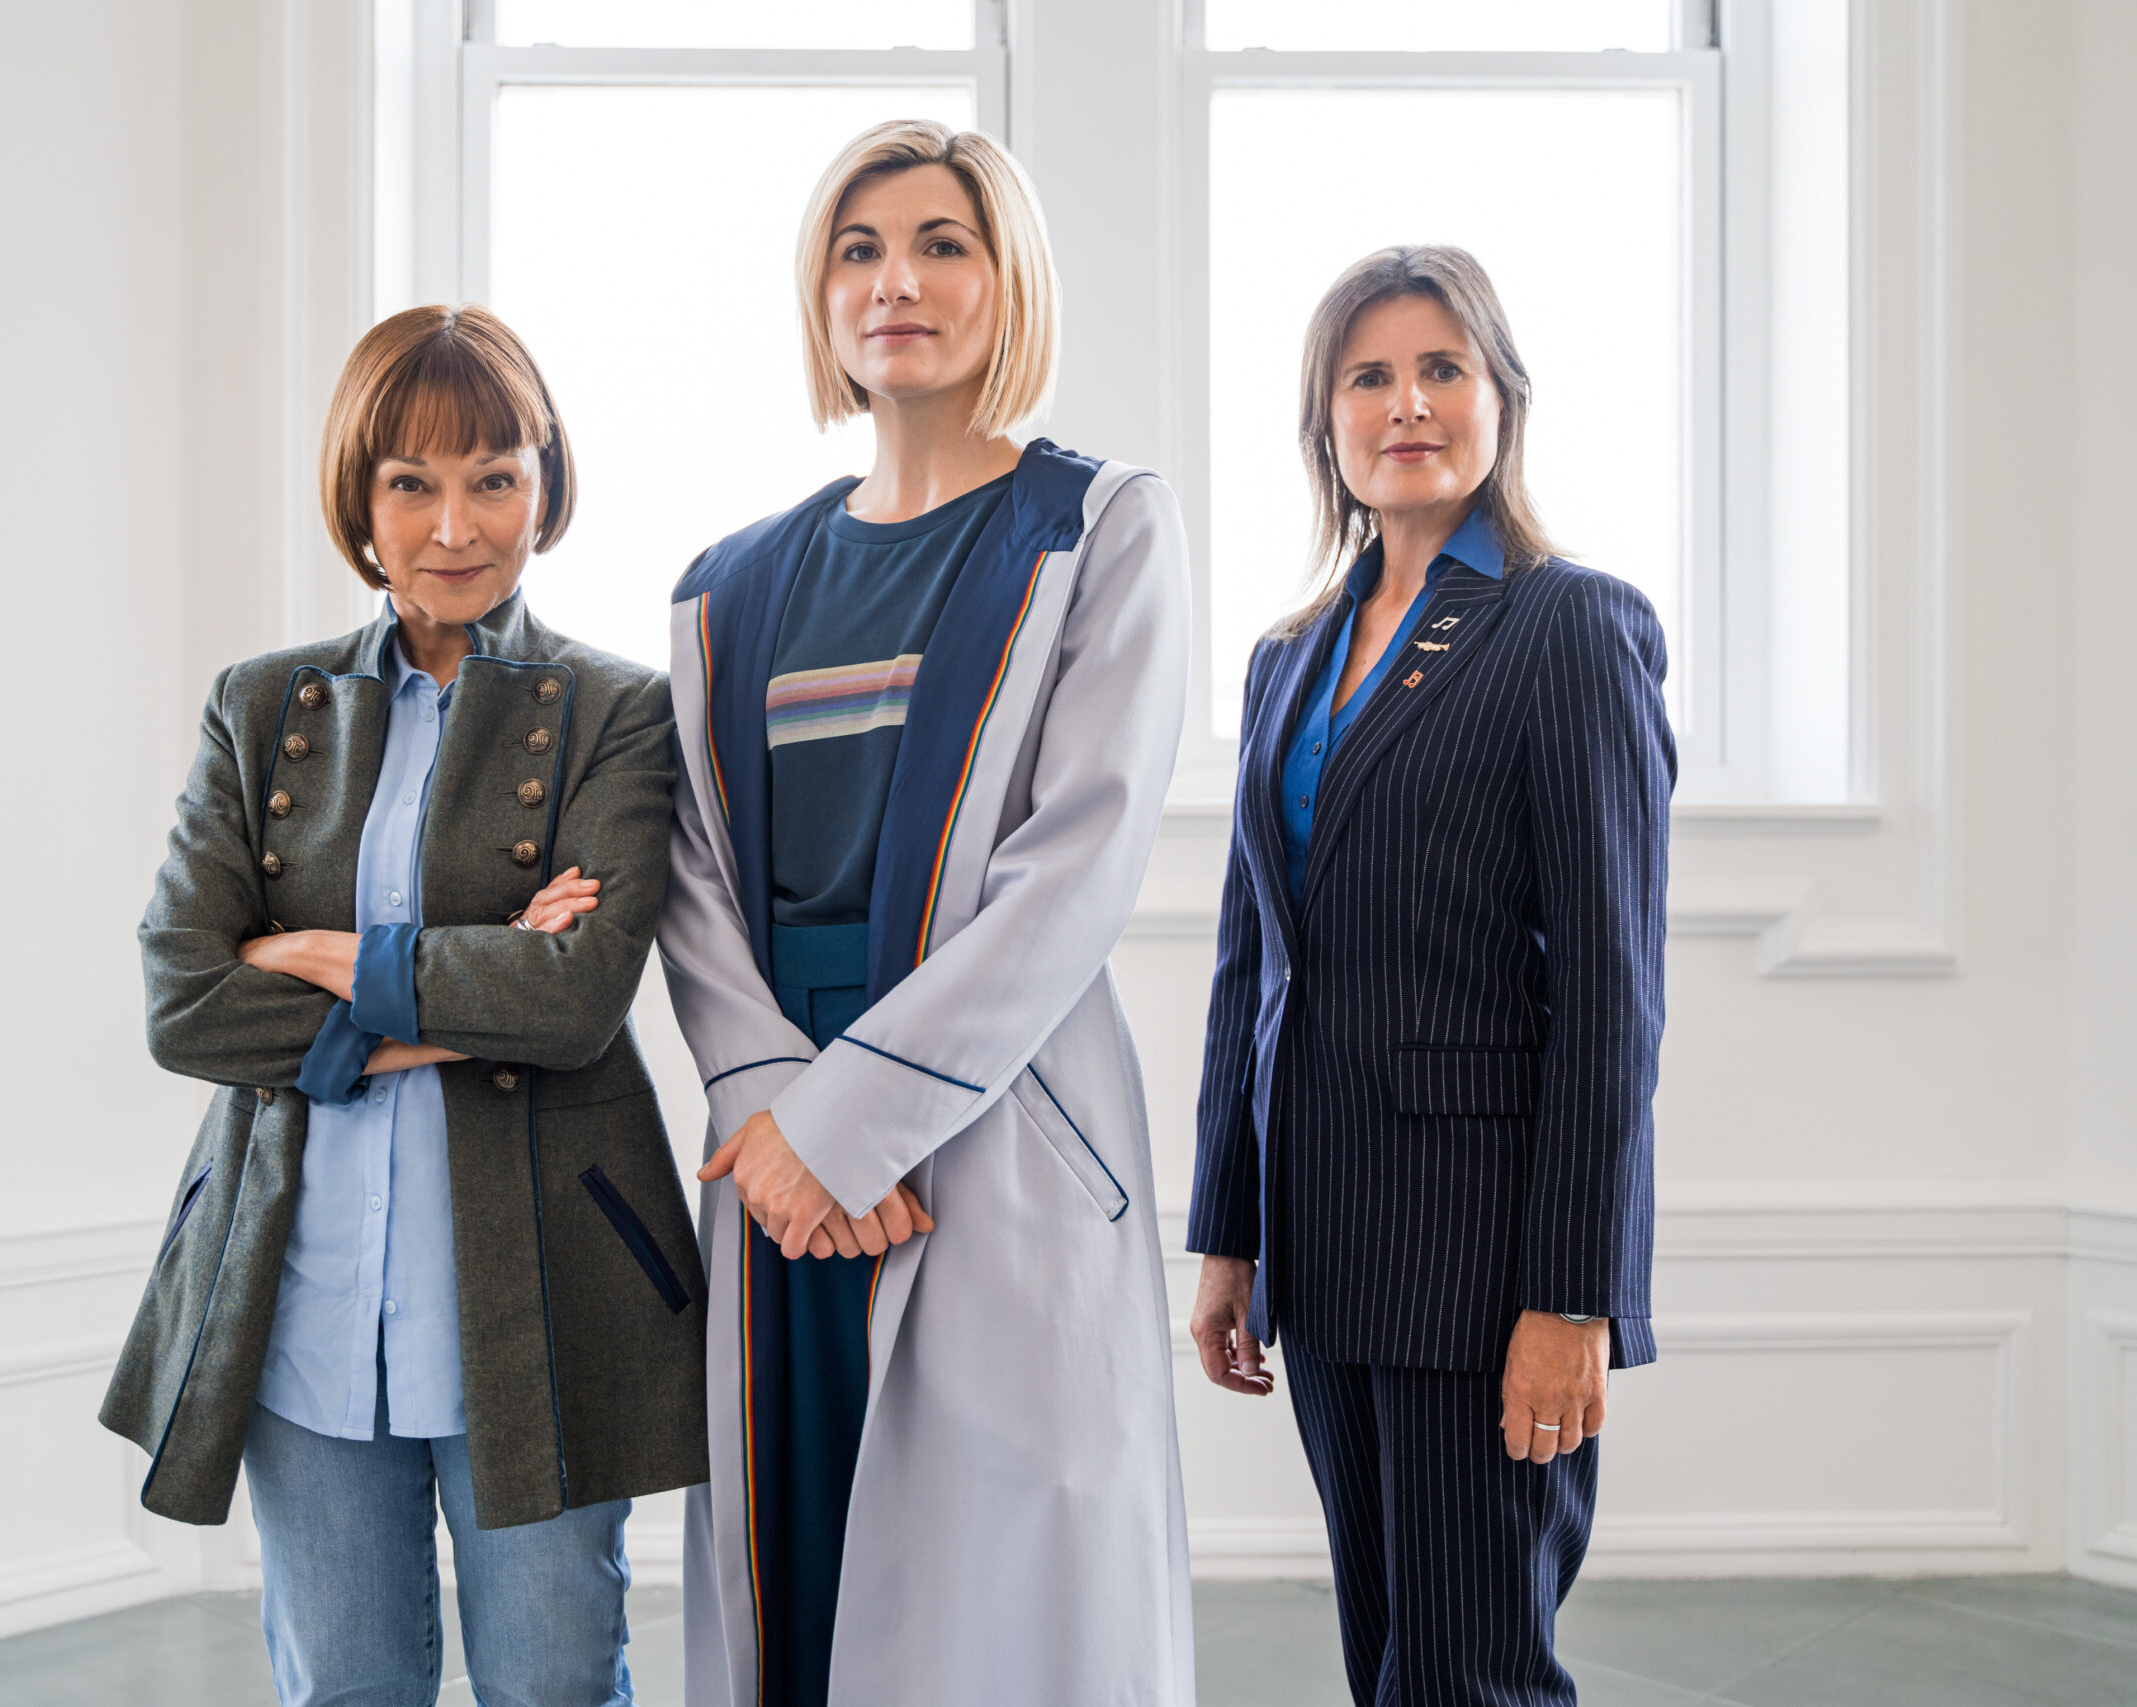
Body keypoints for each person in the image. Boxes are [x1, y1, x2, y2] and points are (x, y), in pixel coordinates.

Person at [659, 120, 1195, 1707]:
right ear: (820, 295)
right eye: (860, 249)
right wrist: (777, 1117)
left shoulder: (1096, 525)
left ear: (1005, 278)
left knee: (998, 1607)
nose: (897, 280)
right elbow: (692, 881)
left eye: (942, 243)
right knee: (798, 1558)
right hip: (777, 1151)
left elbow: (1077, 861)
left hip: (992, 1111)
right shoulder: (727, 586)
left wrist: (851, 1128)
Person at [100, 304, 704, 1707]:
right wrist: (466, 982)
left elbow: (574, 1003)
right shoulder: (261, 707)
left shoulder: (619, 710)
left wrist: (315, 953)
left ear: (545, 484)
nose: (455, 526)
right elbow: (185, 999)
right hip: (299, 1298)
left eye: (495, 477)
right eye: (411, 482)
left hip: (543, 1295)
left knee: (556, 1684)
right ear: (359, 501)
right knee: (345, 1690)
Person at [1186, 245, 1673, 1706]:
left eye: (1441, 369)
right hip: (1325, 1245)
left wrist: (1575, 1296)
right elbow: (1252, 965)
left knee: (1472, 1676)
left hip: (1484, 1260)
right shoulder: (1287, 658)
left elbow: (1611, 998)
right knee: (1386, 1659)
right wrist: (1230, 1233)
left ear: (1502, 399)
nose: (1407, 404)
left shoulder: (1569, 625)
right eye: (1371, 377)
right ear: (1326, 422)